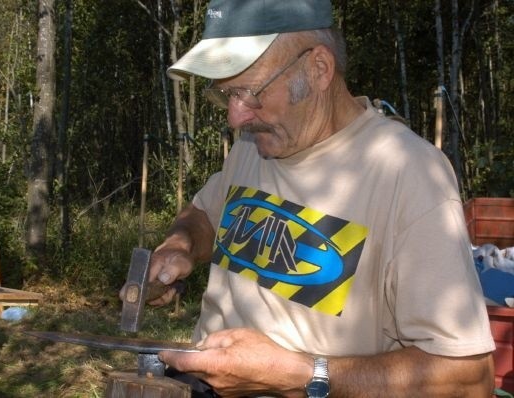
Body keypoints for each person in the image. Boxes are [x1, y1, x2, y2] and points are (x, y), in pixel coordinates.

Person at [128, 1, 496, 396]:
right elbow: (203, 214)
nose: (236, 117)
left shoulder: (407, 173)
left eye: (250, 91)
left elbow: (468, 381)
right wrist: (180, 244)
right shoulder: (255, 146)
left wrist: (304, 375)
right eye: (225, 94)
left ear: (318, 68)